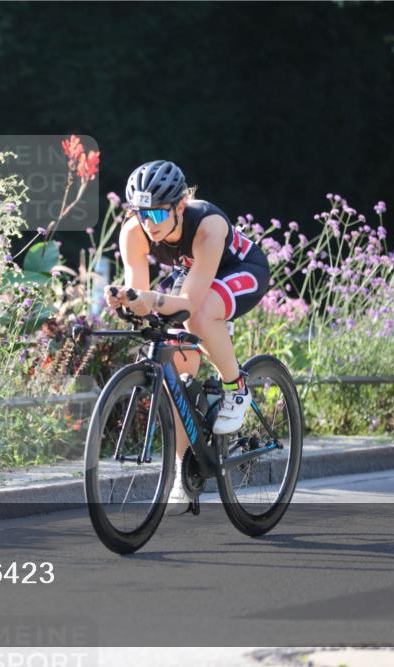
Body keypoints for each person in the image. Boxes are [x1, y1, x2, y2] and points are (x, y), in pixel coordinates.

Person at [105, 160, 271, 514]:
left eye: (157, 214)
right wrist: (126, 301)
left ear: (180, 206)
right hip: (195, 276)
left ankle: (236, 387)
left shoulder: (207, 224)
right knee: (174, 363)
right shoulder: (133, 231)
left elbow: (190, 303)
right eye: (140, 213)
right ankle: (185, 469)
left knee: (199, 315)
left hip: (241, 270)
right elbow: (142, 293)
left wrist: (149, 300)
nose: (149, 224)